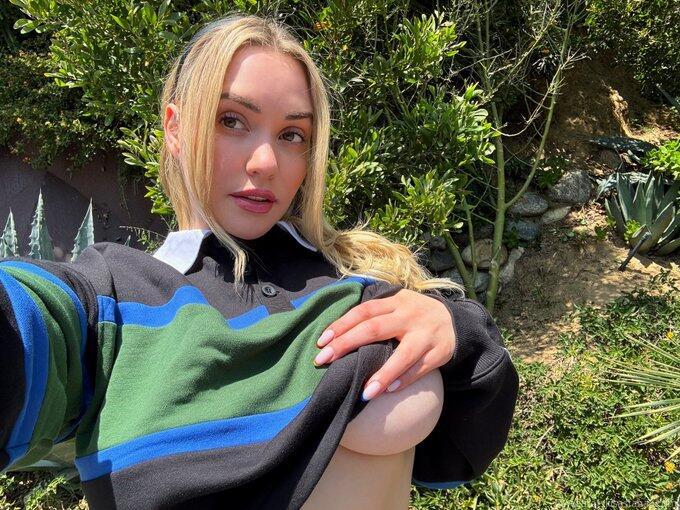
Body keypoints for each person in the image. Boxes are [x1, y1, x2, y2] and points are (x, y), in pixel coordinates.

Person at [0, 12, 519, 510]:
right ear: (175, 130)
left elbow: (464, 445)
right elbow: (26, 325)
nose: (266, 162)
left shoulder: (357, 282)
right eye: (232, 121)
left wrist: (456, 328)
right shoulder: (112, 300)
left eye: (292, 135)